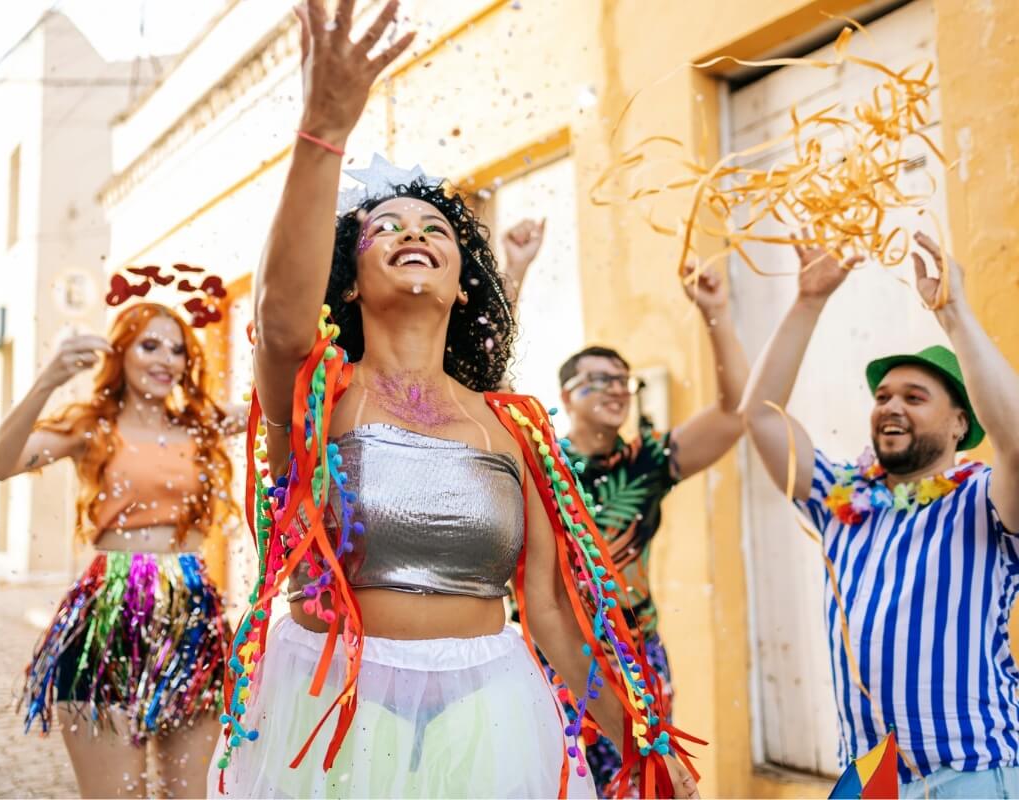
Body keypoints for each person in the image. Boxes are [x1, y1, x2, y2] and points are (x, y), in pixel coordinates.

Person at [206, 2, 699, 798]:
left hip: (488, 713)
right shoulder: (320, 398)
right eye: (386, 226)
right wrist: (322, 130)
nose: (414, 233)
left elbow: (548, 612)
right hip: (335, 712)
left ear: (464, 286)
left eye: (435, 228)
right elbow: (279, 320)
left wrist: (640, 743)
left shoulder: (510, 426)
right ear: (348, 282)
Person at [740, 232, 1019, 798]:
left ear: (960, 424)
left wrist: (955, 315)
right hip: (870, 780)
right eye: (883, 396)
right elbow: (761, 418)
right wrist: (808, 301)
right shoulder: (842, 498)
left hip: (970, 773)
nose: (891, 405)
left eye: (915, 397)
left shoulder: (984, 498)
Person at [506, 229, 748, 795]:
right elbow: (489, 378)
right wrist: (514, 273)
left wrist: (715, 314)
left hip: (637, 656)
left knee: (646, 784)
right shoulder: (539, 458)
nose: (617, 390)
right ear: (566, 396)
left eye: (624, 381)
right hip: (552, 654)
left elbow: (734, 415)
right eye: (599, 380)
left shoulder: (647, 462)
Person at [0, 302, 236, 799]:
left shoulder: (200, 425)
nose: (165, 359)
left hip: (193, 621)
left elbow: (282, 407)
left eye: (177, 350)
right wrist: (49, 380)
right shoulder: (91, 426)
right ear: (120, 352)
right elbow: (0, 464)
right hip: (109, 618)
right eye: (150, 345)